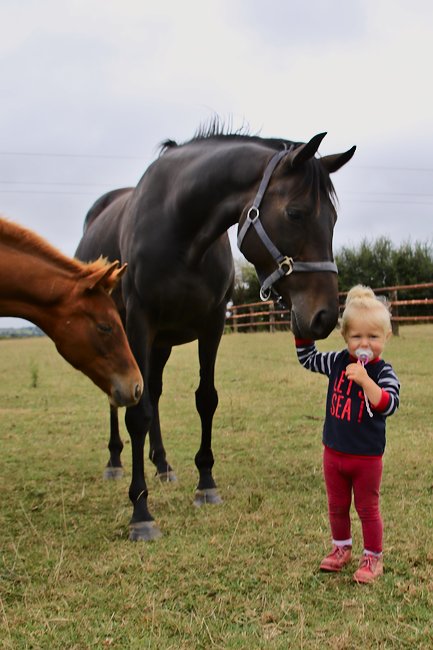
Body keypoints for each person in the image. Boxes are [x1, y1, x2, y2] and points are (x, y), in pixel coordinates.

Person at [294, 285, 400, 583]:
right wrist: (300, 325)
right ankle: (341, 548)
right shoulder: (338, 361)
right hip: (334, 452)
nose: (364, 343)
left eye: (373, 337)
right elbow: (308, 358)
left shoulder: (383, 372)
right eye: (356, 337)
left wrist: (366, 381)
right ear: (345, 337)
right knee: (337, 506)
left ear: (386, 337)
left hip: (366, 458)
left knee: (367, 509)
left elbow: (389, 404)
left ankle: (373, 558)